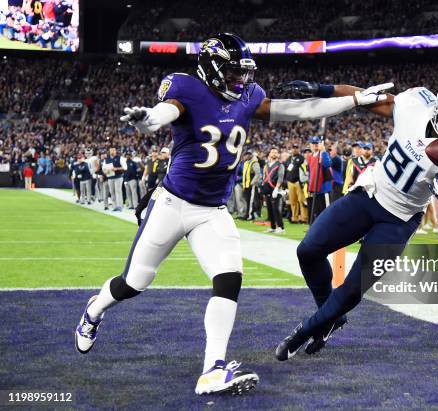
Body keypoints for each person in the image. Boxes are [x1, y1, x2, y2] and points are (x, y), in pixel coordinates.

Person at [74, 33, 388, 396]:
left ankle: (213, 368)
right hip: (172, 204)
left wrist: (354, 101)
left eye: (244, 73)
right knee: (134, 283)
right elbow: (165, 113)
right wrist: (146, 118)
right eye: (233, 73)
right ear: (211, 70)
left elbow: (300, 110)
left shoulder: (249, 97)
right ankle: (94, 311)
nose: (241, 81)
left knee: (229, 278)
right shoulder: (187, 89)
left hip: (213, 211)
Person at [274, 76, 438, 360]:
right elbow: (365, 97)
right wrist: (321, 89)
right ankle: (330, 317)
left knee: (353, 289)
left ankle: (305, 330)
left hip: (399, 220)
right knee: (308, 250)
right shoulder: (414, 104)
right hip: (370, 194)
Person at [306, 136, 332, 223]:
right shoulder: (310, 157)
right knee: (317, 213)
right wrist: (310, 187)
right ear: (310, 145)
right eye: (313, 144)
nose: (315, 145)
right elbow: (311, 173)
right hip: (315, 189)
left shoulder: (323, 154)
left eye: (316, 143)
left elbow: (328, 164)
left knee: (326, 213)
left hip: (323, 188)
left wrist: (323, 151)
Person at [261, 147, 285, 233]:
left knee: (276, 209)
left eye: (275, 152)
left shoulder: (280, 165)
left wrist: (277, 188)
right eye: (272, 152)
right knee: (270, 209)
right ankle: (272, 227)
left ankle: (281, 227)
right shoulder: (267, 165)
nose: (274, 153)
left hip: (275, 189)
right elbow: (264, 176)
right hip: (267, 188)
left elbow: (280, 177)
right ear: (270, 154)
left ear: (278, 155)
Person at [286, 144, 308, 223]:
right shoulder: (288, 159)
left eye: (296, 148)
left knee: (302, 201)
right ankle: (294, 218)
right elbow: (286, 170)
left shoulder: (301, 158)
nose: (295, 149)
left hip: (298, 182)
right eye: (293, 148)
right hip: (290, 182)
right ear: (291, 149)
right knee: (293, 201)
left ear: (298, 149)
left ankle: (304, 218)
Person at [104, 147, 126, 212]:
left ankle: (120, 206)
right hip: (110, 177)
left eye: (113, 150)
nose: (112, 152)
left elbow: (125, 167)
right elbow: (104, 169)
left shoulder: (120, 158)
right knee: (112, 192)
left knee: (118, 191)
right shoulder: (107, 159)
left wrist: (116, 169)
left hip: (118, 177)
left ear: (115, 151)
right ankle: (114, 206)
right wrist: (105, 171)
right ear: (109, 151)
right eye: (111, 150)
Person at [241, 150, 260, 220]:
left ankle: (250, 215)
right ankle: (247, 214)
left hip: (251, 185)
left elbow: (257, 174)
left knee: (251, 201)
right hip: (246, 185)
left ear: (249, 155)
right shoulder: (246, 163)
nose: (244, 157)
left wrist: (252, 183)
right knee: (247, 200)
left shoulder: (254, 163)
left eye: (246, 155)